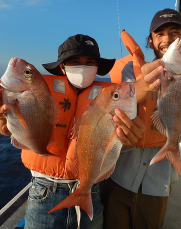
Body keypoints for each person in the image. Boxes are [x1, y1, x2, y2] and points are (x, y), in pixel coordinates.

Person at [0, 34, 147, 229]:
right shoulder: (38, 89)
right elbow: (12, 127)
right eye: (75, 61)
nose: (83, 67)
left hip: (91, 191)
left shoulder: (110, 97)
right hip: (44, 190)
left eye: (90, 62)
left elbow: (114, 141)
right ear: (62, 66)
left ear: (97, 67)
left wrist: (129, 137)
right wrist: (5, 122)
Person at [102, 8, 181, 229]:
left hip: (157, 181)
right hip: (120, 174)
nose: (167, 39)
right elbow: (110, 106)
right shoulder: (131, 70)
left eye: (174, 32)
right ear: (150, 41)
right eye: (160, 34)